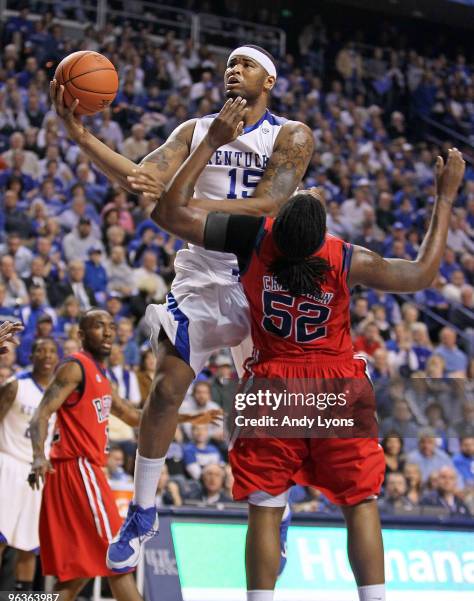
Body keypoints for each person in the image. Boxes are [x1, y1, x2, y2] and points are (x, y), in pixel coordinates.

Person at [142, 98, 465, 601]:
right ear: (319, 232)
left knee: (266, 510)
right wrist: (444, 199)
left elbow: (167, 211)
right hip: (337, 385)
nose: (310, 189)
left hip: (272, 385)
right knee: (361, 504)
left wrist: (207, 145)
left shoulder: (254, 239)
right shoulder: (343, 256)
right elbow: (423, 273)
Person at [50, 45, 313, 572]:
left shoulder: (290, 134)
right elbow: (142, 178)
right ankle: (143, 511)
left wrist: (185, 205)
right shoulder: (195, 129)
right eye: (229, 64)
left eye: (247, 65)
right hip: (200, 275)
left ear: (270, 82)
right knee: (168, 384)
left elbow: (269, 205)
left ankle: (275, 510)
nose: (233, 70)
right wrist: (81, 135)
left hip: (261, 277)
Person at [28, 310, 147, 601]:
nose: (108, 332)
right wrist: (38, 456)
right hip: (77, 467)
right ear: (81, 335)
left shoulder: (101, 376)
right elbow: (40, 414)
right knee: (115, 553)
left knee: (79, 569)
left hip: (77, 471)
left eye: (110, 326)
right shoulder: (75, 367)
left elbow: (134, 416)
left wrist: (184, 415)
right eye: (98, 326)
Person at [0, 338, 58, 596]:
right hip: (7, 465)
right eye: (40, 350)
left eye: (51, 351)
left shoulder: (59, 395)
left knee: (29, 544)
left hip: (36, 474)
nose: (46, 355)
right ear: (31, 355)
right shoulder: (15, 386)